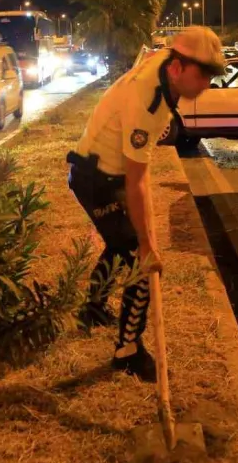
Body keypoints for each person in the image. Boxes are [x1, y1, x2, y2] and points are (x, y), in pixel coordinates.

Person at [67, 27, 224, 381]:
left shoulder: (164, 67)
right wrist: (148, 243)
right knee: (141, 260)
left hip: (107, 171)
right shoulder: (149, 101)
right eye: (202, 74)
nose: (206, 84)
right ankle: (127, 350)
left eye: (211, 76)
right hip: (95, 179)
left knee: (121, 242)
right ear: (177, 67)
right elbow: (137, 181)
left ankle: (93, 307)